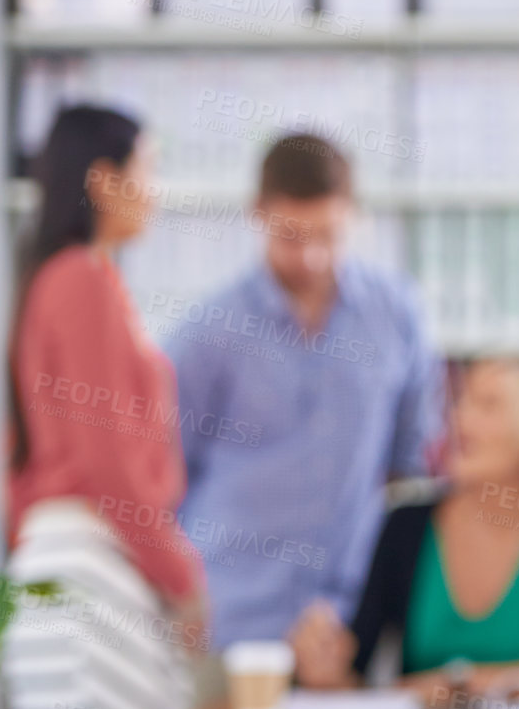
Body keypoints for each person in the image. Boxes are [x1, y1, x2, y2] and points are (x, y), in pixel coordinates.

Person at [2, 105, 207, 709]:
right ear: (104, 179)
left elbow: (18, 458)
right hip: (89, 570)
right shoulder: (82, 281)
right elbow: (108, 464)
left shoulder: (61, 280)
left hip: (77, 565)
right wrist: (181, 574)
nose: (155, 190)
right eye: (147, 169)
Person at [167, 133, 442, 649]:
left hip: (348, 621)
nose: (312, 258)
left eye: (330, 235)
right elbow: (163, 477)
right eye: (292, 237)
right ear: (258, 213)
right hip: (227, 616)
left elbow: (411, 467)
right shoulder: (209, 332)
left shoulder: (398, 314)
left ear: (355, 215)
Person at [289, 358, 519, 706]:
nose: (459, 420)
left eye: (488, 407)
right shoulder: (406, 525)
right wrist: (326, 669)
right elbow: (357, 670)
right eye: (461, 402)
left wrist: (468, 683)